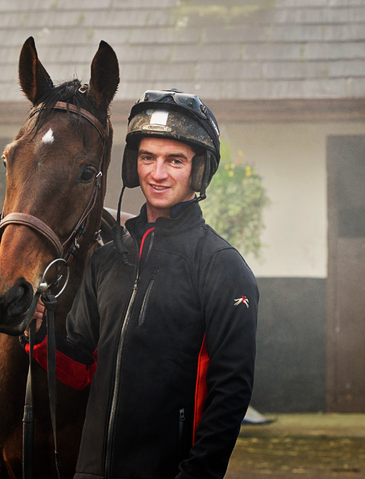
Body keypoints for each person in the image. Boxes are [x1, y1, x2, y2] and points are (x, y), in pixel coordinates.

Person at [26, 89, 258, 479]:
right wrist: (39, 334)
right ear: (133, 166)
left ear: (199, 170)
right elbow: (82, 367)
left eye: (175, 161)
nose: (158, 173)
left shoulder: (222, 266)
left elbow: (231, 391)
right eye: (147, 158)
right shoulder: (106, 259)